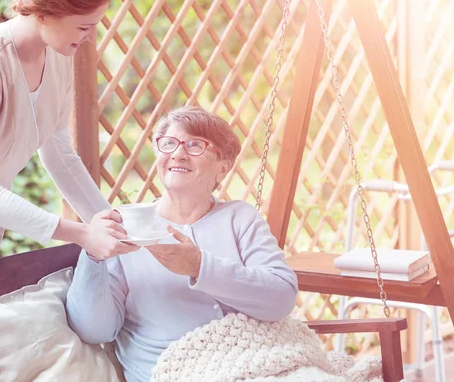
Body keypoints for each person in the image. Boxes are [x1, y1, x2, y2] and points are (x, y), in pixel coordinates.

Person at [66, 106, 299, 382]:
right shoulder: (124, 227)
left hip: (255, 361)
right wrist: (93, 254)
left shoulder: (240, 218)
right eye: (168, 143)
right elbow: (95, 329)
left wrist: (199, 266)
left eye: (194, 145)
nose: (177, 153)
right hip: (174, 371)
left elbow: (281, 298)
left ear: (222, 167)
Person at [0, 0, 136, 265]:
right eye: (84, 27)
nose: (91, 37)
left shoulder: (58, 58)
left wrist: (117, 231)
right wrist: (82, 234)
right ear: (45, 13)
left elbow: (59, 155)